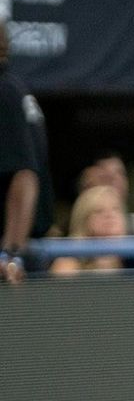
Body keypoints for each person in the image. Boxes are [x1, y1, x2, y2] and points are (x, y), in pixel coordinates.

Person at [0, 20, 54, 283]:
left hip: (9, 264)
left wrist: (10, 255)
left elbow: (24, 174)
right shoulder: (13, 88)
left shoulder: (4, 92)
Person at [49, 185, 128, 275]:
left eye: (116, 209)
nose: (110, 216)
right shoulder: (67, 265)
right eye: (99, 211)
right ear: (83, 220)